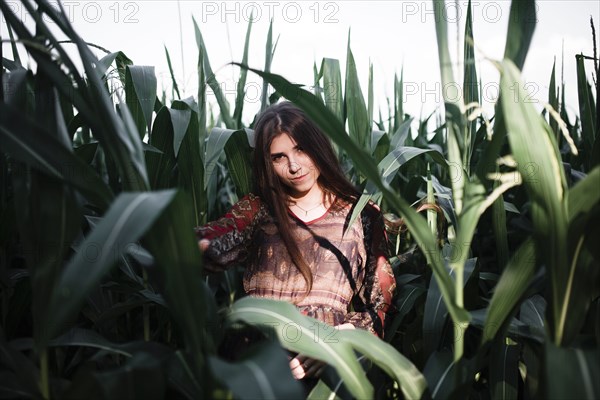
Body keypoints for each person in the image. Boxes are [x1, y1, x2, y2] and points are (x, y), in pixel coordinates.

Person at [196, 101, 396, 381]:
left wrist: (335, 342)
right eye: (278, 157)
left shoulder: (361, 214)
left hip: (327, 370)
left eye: (301, 149)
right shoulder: (258, 209)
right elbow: (214, 241)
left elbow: (379, 305)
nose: (293, 166)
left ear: (318, 146)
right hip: (256, 364)